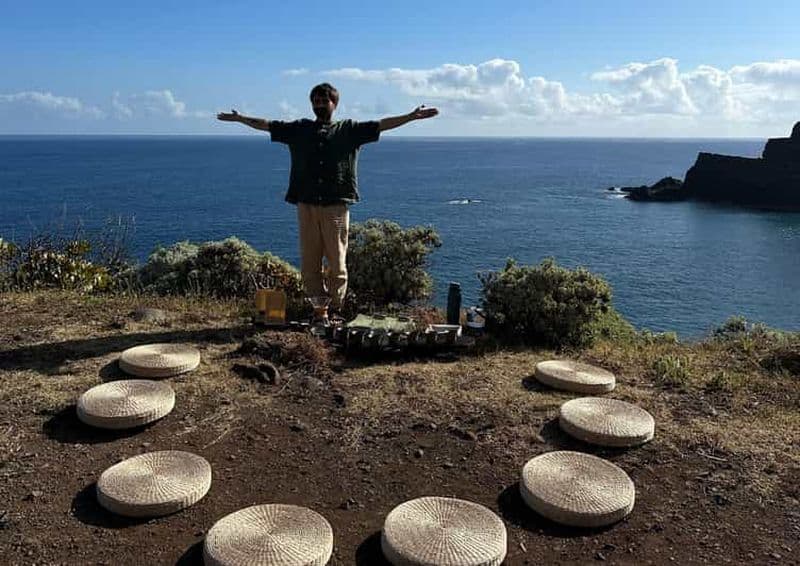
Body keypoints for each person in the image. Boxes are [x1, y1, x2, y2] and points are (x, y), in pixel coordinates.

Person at [217, 83, 438, 312]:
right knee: (309, 263)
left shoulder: (349, 130)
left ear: (334, 104)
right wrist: (241, 119)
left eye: (325, 101)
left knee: (337, 262)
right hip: (306, 204)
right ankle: (318, 310)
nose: (320, 105)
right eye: (316, 101)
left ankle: (335, 309)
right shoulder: (299, 129)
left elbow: (382, 124)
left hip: (336, 206)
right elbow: (267, 125)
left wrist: (410, 116)